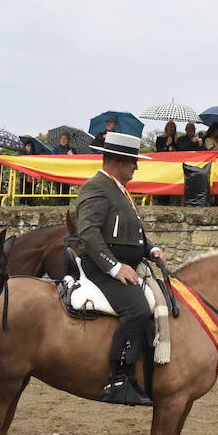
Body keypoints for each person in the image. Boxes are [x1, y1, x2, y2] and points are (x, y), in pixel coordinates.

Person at [75, 131, 163, 406]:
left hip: (125, 264)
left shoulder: (118, 189)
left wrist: (150, 249)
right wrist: (114, 268)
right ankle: (118, 379)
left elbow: (131, 231)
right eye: (132, 161)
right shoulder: (96, 187)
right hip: (101, 267)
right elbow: (88, 233)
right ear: (117, 160)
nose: (136, 166)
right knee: (136, 309)